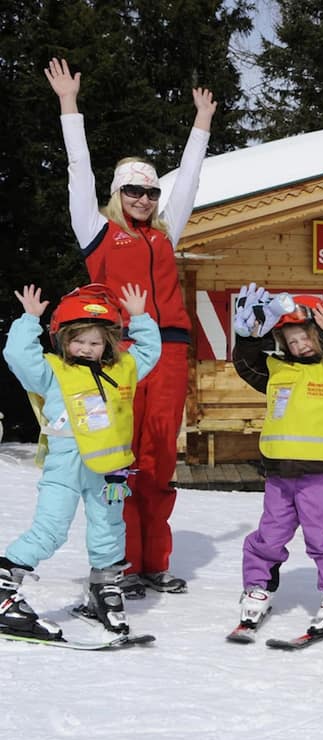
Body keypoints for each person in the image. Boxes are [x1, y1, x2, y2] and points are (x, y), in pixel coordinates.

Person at [45, 57, 217, 598]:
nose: (143, 200)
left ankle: (152, 562)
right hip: (114, 354)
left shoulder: (167, 235)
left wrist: (201, 124)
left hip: (166, 350)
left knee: (158, 454)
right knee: (119, 456)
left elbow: (188, 179)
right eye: (133, 192)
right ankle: (116, 560)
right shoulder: (96, 232)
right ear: (117, 195)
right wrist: (69, 107)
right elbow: (78, 172)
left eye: (149, 193)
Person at [0, 283, 159, 638]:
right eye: (79, 340)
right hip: (65, 467)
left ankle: (104, 586)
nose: (86, 349)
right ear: (63, 340)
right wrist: (29, 320)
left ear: (108, 344)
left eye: (95, 342)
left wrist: (140, 317)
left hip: (110, 472)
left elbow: (150, 351)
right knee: (50, 530)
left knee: (109, 529)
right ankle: (4, 584)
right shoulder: (52, 371)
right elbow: (19, 357)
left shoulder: (123, 369)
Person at [230, 290, 323, 634]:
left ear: (321, 335)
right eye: (292, 340)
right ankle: (258, 587)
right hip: (279, 475)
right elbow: (245, 363)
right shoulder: (274, 369)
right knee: (268, 535)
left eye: (306, 336)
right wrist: (245, 337)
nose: (300, 345)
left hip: (319, 475)